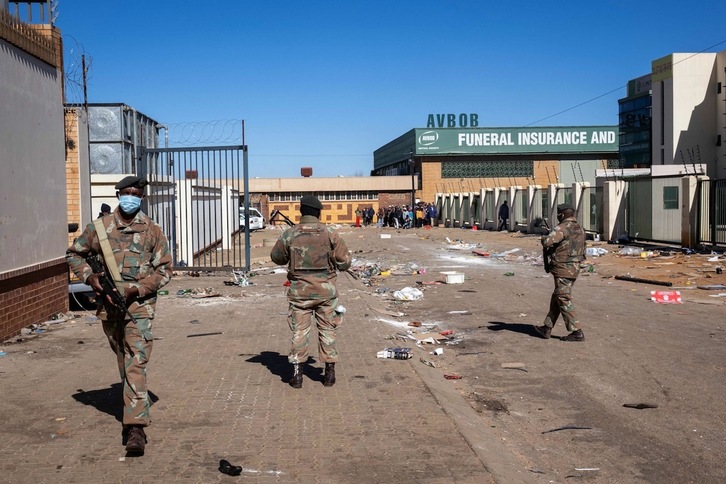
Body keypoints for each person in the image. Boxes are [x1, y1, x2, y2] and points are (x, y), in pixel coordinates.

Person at [66, 176, 172, 453]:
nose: (130, 197)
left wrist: (138, 289)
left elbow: (166, 270)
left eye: (136, 193)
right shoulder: (100, 228)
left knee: (137, 359)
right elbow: (74, 254)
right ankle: (133, 403)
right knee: (123, 359)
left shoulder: (153, 231)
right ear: (118, 194)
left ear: (142, 198)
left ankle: (135, 427)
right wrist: (91, 279)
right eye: (126, 192)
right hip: (108, 306)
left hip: (140, 307)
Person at [270, 195, 352, 389]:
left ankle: (297, 375)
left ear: (301, 211)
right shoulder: (330, 233)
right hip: (326, 292)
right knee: (327, 329)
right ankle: (329, 373)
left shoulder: (290, 234)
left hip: (300, 293)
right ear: (319, 212)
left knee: (300, 331)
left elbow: (276, 258)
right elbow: (344, 262)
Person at [534, 203, 586, 342]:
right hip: (574, 267)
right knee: (557, 296)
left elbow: (547, 242)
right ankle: (547, 327)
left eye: (558, 214)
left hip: (563, 268)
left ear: (562, 215)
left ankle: (576, 331)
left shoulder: (562, 227)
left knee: (563, 298)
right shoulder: (579, 228)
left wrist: (544, 237)